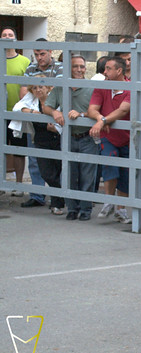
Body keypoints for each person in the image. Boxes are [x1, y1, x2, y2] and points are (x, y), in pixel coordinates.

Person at [43, 54, 98, 221]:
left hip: (88, 137)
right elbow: (46, 106)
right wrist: (55, 112)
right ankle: (72, 208)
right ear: (68, 68)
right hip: (68, 136)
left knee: (88, 176)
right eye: (75, 66)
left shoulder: (91, 87)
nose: (80, 70)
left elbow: (97, 110)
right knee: (68, 174)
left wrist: (81, 114)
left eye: (82, 66)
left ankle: (85, 210)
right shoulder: (61, 87)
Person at [20, 38, 64, 208]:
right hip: (38, 121)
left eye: (43, 54)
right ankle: (38, 195)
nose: (39, 58)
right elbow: (25, 92)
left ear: (50, 52)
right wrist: (35, 109)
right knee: (36, 162)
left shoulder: (59, 67)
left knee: (57, 165)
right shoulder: (30, 67)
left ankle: (58, 198)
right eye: (37, 54)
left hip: (56, 120)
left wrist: (44, 96)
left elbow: (58, 91)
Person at [88, 56, 132, 224]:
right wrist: (101, 119)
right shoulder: (102, 86)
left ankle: (120, 209)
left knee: (125, 173)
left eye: (108, 68)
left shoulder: (130, 87)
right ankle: (109, 201)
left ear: (119, 71)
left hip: (127, 138)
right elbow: (92, 109)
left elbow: (123, 110)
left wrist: (103, 121)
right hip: (109, 136)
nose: (104, 72)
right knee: (110, 162)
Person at [13, 75, 65, 215]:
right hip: (40, 142)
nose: (38, 90)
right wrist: (31, 112)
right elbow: (17, 108)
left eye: (41, 87)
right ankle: (61, 195)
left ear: (48, 88)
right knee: (46, 173)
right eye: (34, 88)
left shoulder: (55, 100)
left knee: (59, 170)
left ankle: (57, 203)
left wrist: (56, 128)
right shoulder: (32, 100)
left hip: (57, 140)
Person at [2, 27, 30, 197]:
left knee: (19, 150)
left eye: (10, 35)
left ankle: (19, 184)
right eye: (4, 35)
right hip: (0, 114)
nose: (7, 37)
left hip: (17, 114)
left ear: (16, 38)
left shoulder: (24, 61)